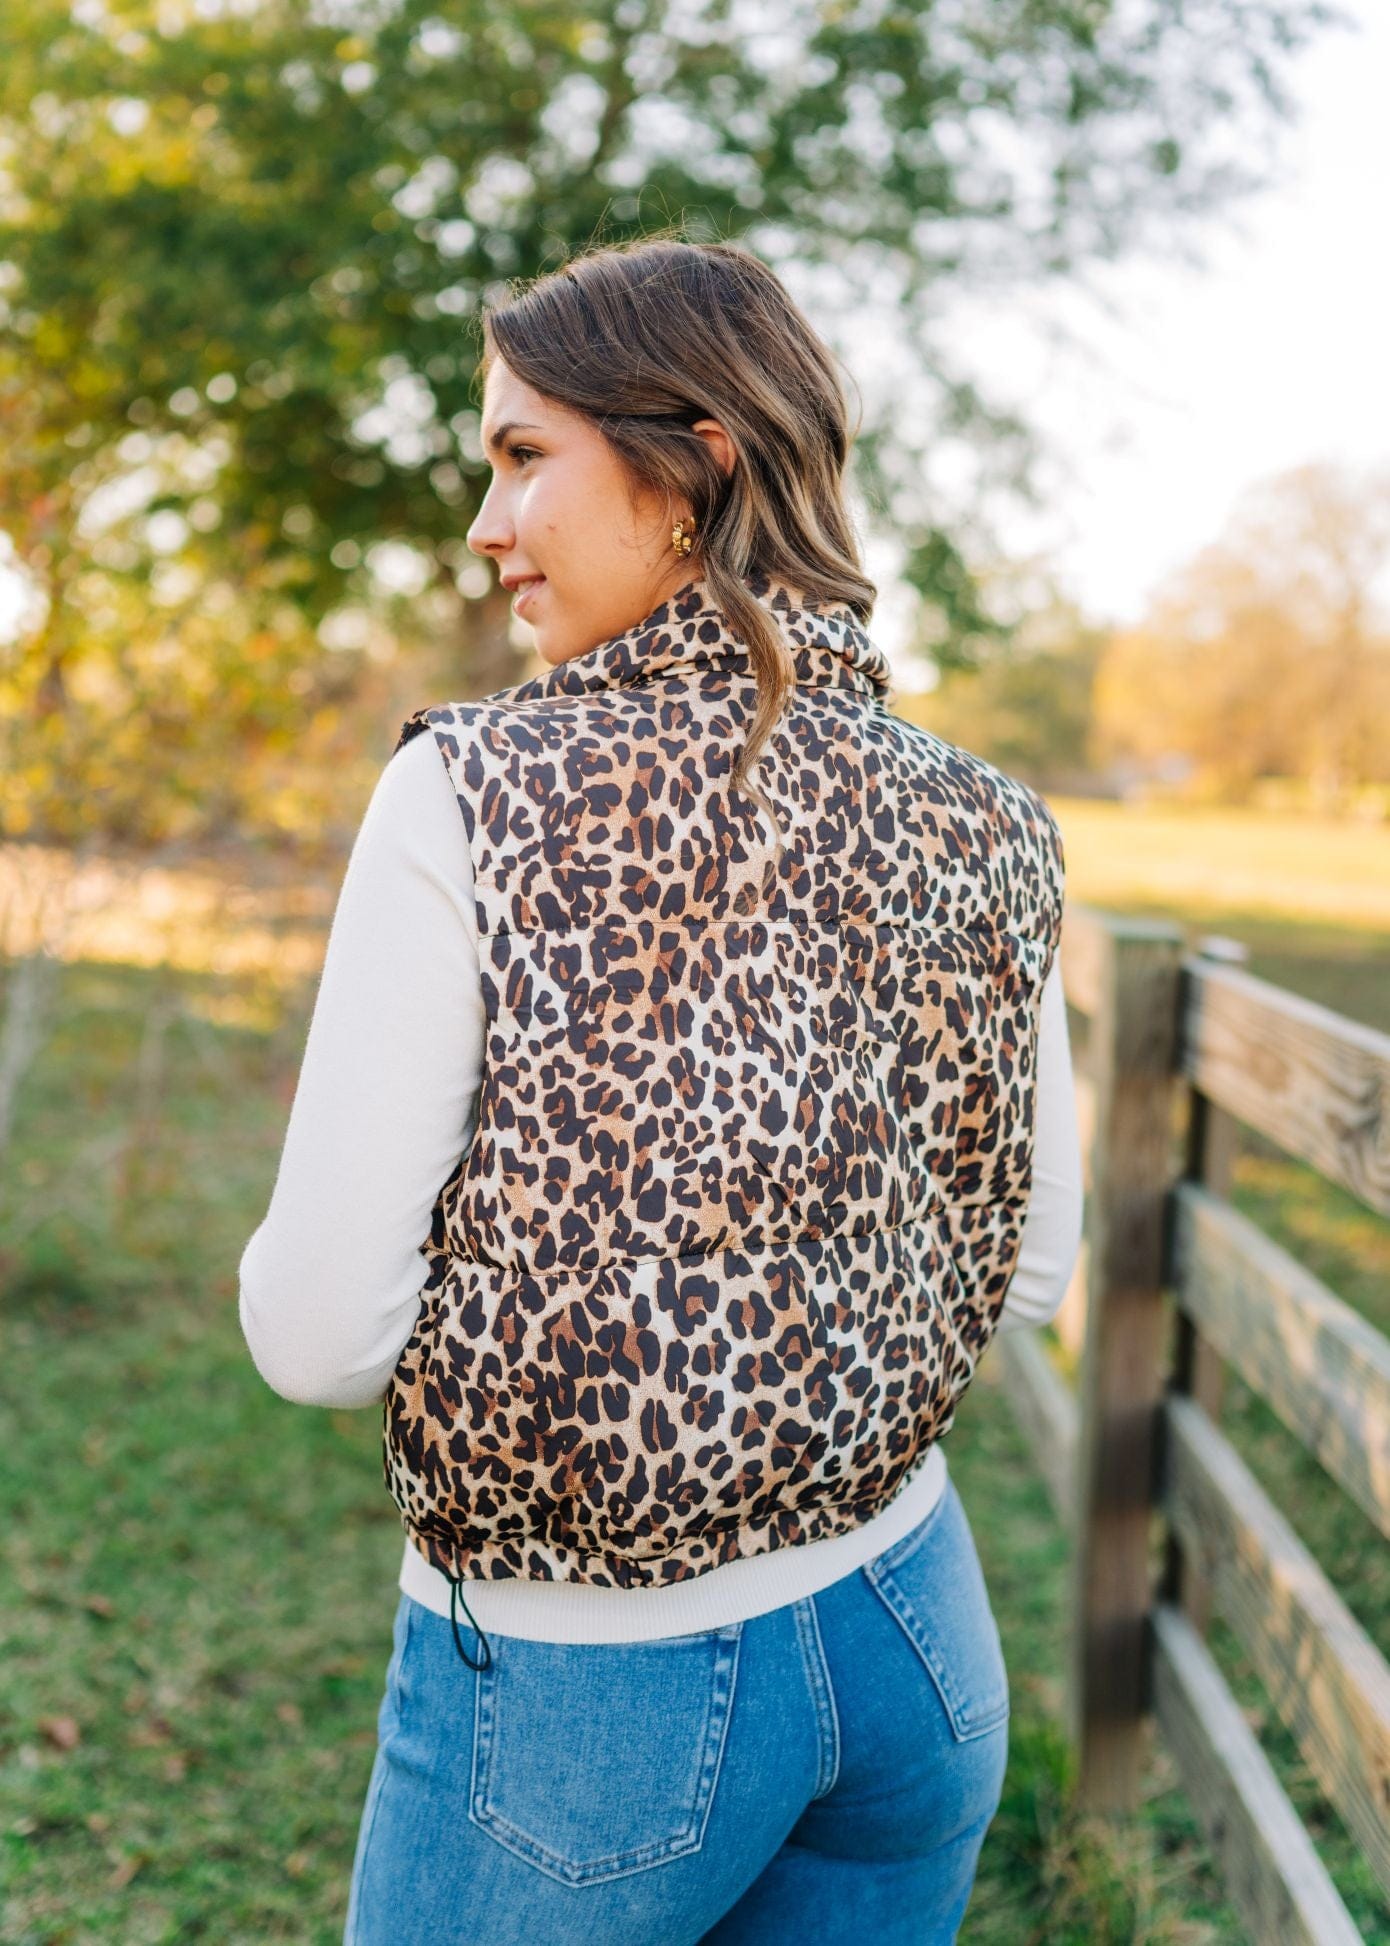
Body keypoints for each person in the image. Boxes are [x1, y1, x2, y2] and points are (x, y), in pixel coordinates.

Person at [239, 236, 1084, 1946]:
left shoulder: (474, 789)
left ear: (694, 457)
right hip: (913, 1633)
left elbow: (317, 1333)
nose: (486, 524)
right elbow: (1030, 1266)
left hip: (586, 1702)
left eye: (521, 455)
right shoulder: (987, 815)